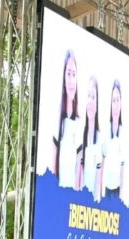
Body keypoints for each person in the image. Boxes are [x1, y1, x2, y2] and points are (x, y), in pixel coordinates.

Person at [53, 50, 82, 189]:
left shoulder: (79, 119)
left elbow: (79, 165)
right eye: (68, 73)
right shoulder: (58, 114)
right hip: (58, 190)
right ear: (64, 78)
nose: (71, 80)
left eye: (74, 74)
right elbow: (53, 158)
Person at [78, 76, 104, 199]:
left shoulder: (100, 138)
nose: (90, 101)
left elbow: (98, 181)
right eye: (88, 96)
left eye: (93, 97)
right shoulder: (80, 134)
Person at [102, 80, 125, 201]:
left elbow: (123, 165)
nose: (115, 104)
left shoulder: (124, 131)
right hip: (106, 188)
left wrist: (121, 192)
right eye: (113, 100)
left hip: (118, 189)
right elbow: (102, 159)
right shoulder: (106, 129)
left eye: (118, 100)